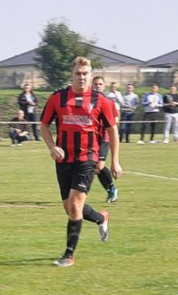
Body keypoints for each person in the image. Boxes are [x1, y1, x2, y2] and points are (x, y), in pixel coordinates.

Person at [40, 56, 122, 268]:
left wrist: (115, 161)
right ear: (72, 75)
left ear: (91, 75)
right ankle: (101, 218)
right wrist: (52, 147)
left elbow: (113, 130)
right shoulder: (57, 98)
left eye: (86, 74)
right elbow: (44, 125)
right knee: (70, 208)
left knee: (76, 204)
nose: (82, 77)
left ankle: (69, 254)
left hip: (88, 159)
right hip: (63, 160)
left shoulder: (101, 100)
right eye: (78, 73)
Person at [93, 76, 120, 203]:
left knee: (99, 165)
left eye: (100, 84)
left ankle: (112, 188)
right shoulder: (89, 102)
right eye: (95, 84)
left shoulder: (109, 102)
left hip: (104, 136)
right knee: (95, 167)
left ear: (104, 86)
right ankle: (110, 189)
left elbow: (115, 119)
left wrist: (110, 125)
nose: (97, 86)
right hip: (92, 137)